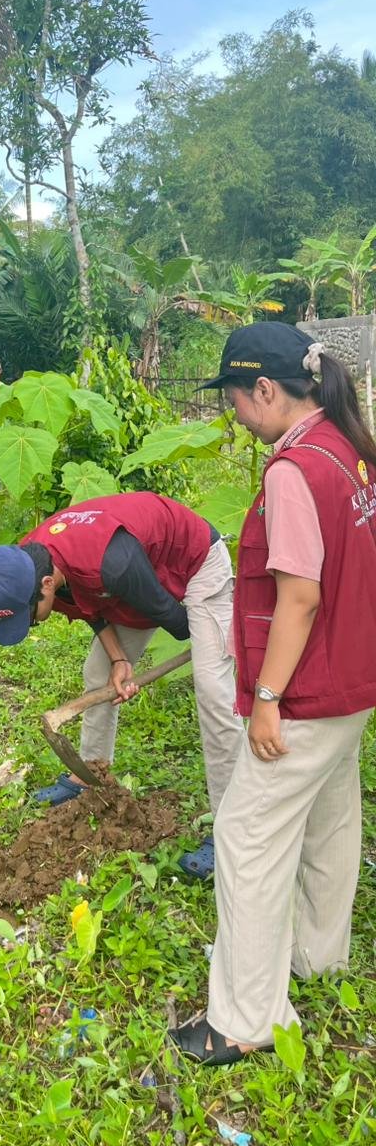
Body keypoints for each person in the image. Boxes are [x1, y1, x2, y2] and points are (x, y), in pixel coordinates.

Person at [170, 321, 376, 1066]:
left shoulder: (294, 471)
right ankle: (318, 953)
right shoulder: (349, 451)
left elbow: (298, 598)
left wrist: (264, 697)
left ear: (264, 390)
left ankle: (246, 1018)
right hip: (354, 685)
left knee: (247, 837)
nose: (231, 414)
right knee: (328, 818)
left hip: (308, 691)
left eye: (232, 398)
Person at [0, 493, 245, 877]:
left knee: (214, 694)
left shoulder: (111, 564)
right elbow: (88, 606)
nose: (29, 624)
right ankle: (90, 774)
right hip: (132, 585)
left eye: (28, 617)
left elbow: (172, 618)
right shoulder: (25, 564)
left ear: (46, 585)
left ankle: (235, 831)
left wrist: (212, 641)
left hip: (191, 565)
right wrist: (119, 660)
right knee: (98, 674)